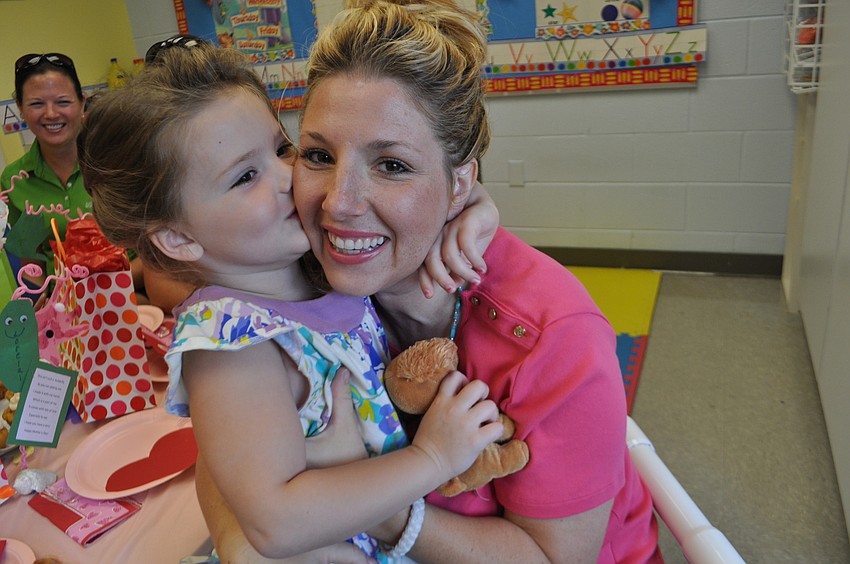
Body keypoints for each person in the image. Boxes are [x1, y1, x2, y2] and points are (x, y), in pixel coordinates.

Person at [203, 0, 663, 561]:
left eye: (391, 165)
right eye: (319, 154)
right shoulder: (299, 276)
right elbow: (223, 444)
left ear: (460, 184)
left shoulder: (554, 337)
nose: (339, 204)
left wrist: (371, 501)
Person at [77, 43, 503, 561]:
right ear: (178, 239)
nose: (291, 180)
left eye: (282, 149)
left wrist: (476, 205)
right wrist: (433, 457)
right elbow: (276, 523)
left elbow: (428, 190)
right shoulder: (232, 344)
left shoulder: (310, 265)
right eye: (244, 177)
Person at [1, 53, 90, 282]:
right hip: (64, 304)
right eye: (37, 104)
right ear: (20, 108)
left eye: (63, 102)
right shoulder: (15, 180)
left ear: (82, 102)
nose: (51, 114)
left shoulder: (116, 162)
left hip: (131, 293)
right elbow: (33, 262)